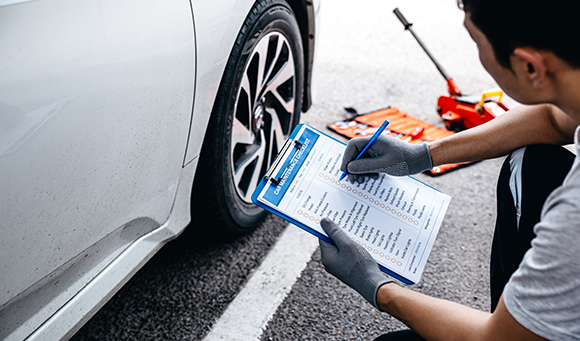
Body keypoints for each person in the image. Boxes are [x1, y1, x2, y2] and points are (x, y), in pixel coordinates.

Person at [318, 0, 580, 340]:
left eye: (475, 41)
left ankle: (528, 315)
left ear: (530, 67)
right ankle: (526, 309)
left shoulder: (574, 210)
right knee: (532, 163)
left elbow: (497, 339)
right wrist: (425, 154)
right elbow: (551, 118)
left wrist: (378, 286)